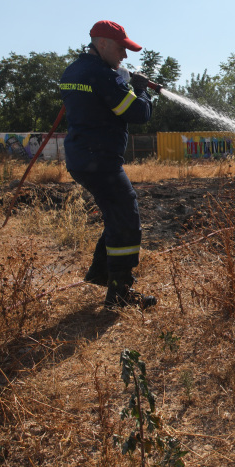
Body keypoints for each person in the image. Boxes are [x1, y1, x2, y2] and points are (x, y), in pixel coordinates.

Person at [59, 20, 157, 309]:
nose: (124, 56)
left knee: (117, 215)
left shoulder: (74, 70)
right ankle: (119, 292)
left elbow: (103, 88)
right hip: (100, 161)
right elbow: (138, 113)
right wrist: (142, 90)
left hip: (81, 158)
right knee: (126, 219)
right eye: (120, 49)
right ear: (102, 44)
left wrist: (126, 78)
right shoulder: (102, 75)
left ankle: (102, 273)